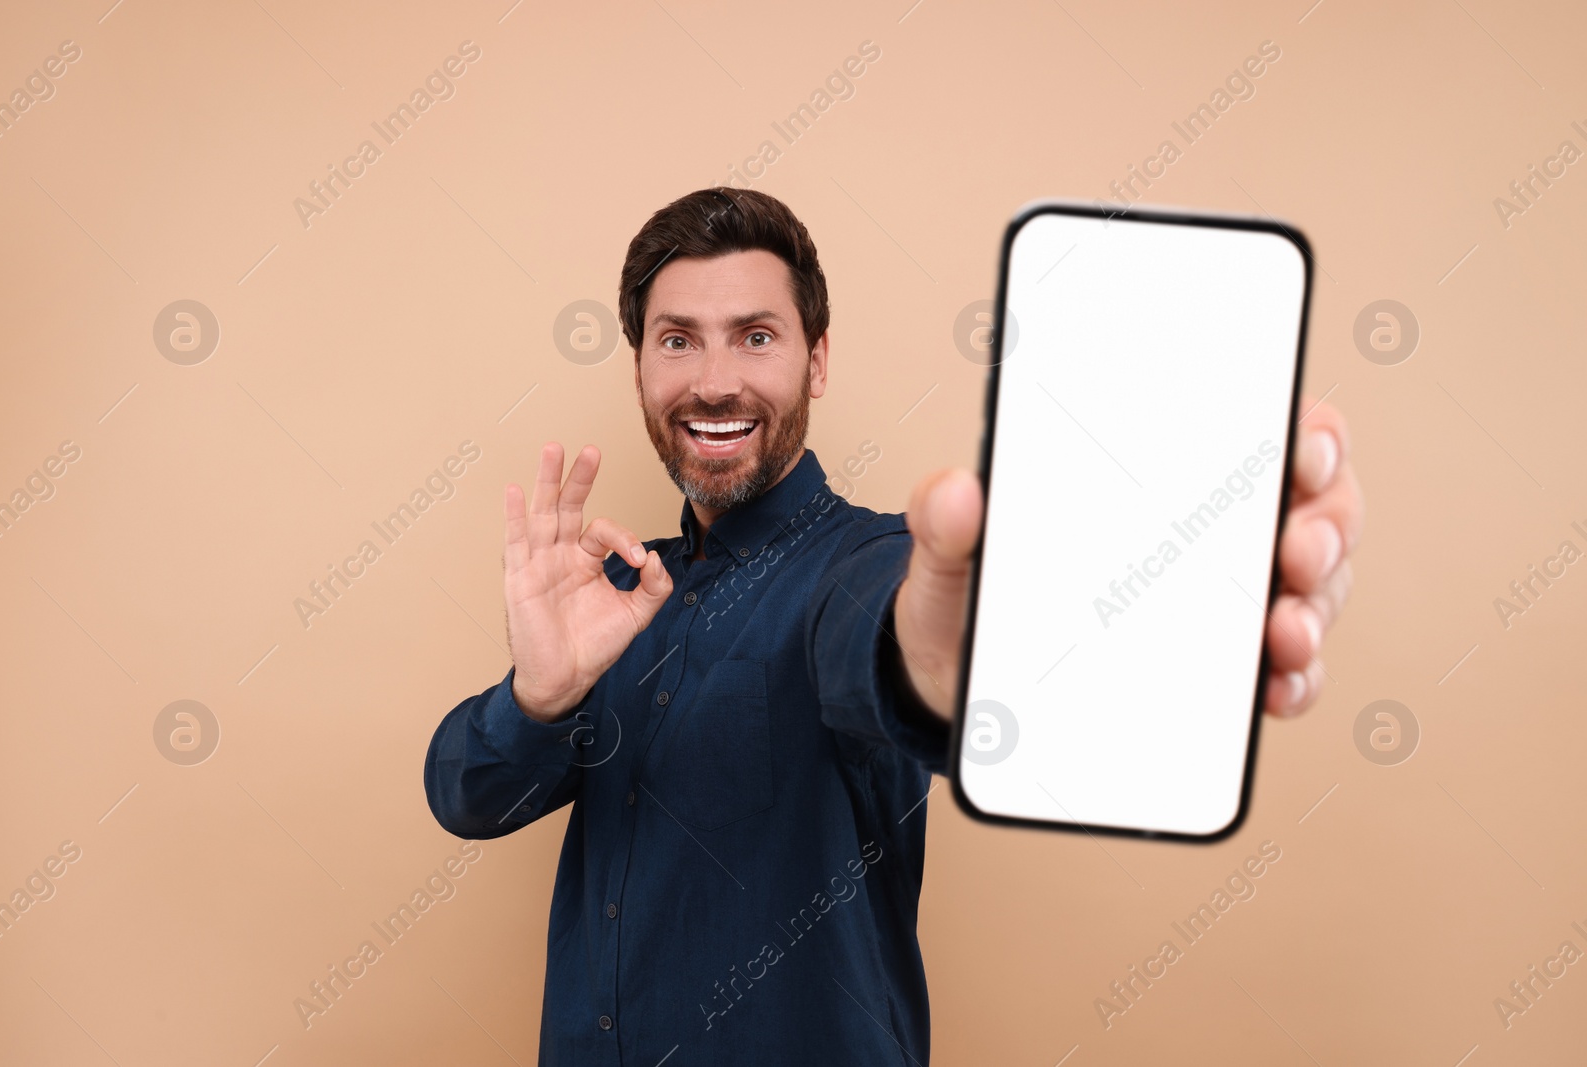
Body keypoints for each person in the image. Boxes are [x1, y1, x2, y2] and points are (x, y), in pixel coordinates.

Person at [422, 187, 1362, 1065]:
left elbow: (898, 638)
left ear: (817, 358)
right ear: (638, 365)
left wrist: (974, 642)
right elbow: (465, 798)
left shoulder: (863, 564)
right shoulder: (613, 597)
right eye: (677, 340)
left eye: (755, 337)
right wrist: (536, 696)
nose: (713, 382)